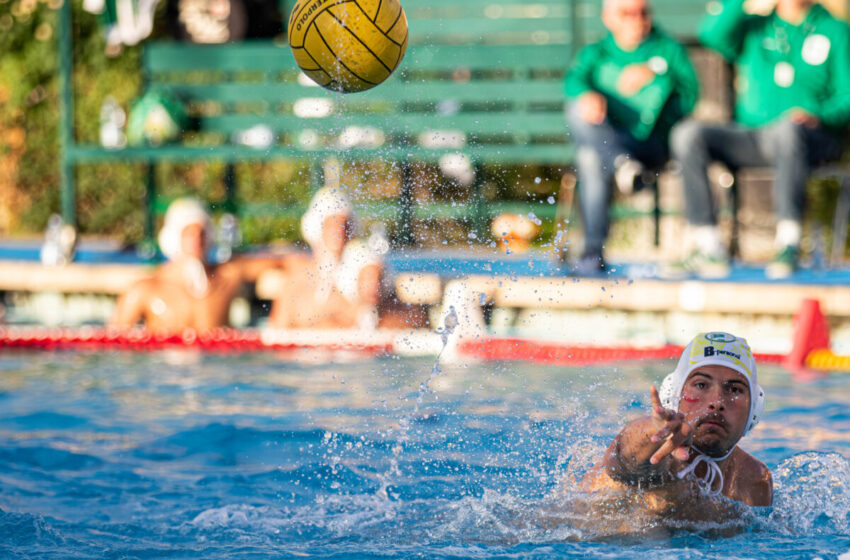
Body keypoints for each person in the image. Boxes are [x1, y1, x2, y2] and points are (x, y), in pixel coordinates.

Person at [669, 0, 850, 279]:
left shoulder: (835, 30)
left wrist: (819, 115)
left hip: (813, 137)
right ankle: (707, 243)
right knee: (688, 135)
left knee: (788, 130)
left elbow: (847, 96)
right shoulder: (755, 26)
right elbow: (711, 33)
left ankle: (788, 242)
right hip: (753, 135)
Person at [579, 332, 772, 535]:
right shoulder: (661, 458)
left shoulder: (755, 480)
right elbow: (623, 461)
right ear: (673, 395)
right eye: (701, 385)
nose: (717, 402)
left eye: (734, 390)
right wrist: (654, 432)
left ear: (755, 407)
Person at [564, 0, 699, 276]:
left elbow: (691, 95)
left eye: (643, 12)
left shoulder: (667, 49)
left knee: (593, 155)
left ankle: (592, 251)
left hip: (653, 144)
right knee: (584, 135)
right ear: (608, 18)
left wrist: (655, 74)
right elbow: (573, 81)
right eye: (627, 13)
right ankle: (620, 165)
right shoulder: (597, 52)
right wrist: (588, 97)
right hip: (611, 142)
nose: (637, 19)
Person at [111, 197, 287, 331]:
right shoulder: (144, 291)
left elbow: (280, 260)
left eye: (201, 233)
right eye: (188, 233)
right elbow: (113, 347)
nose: (196, 240)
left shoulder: (226, 276)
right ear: (173, 237)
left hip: (216, 367)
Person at [268, 187, 387, 329]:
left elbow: (398, 319)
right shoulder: (298, 277)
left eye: (344, 225)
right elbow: (277, 332)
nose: (339, 232)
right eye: (332, 225)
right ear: (317, 228)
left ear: (352, 228)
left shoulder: (368, 275)